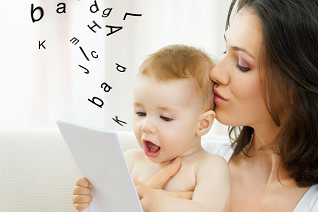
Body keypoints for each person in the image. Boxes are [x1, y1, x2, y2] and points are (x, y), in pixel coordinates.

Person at [126, 0, 318, 211]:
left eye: (242, 64)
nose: (215, 72)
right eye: (224, 51)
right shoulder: (182, 154)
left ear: (296, 85)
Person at [72, 45, 231, 212]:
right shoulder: (130, 162)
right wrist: (93, 200)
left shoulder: (209, 166)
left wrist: (157, 201)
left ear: (202, 124)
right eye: (141, 113)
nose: (147, 126)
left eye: (165, 117)